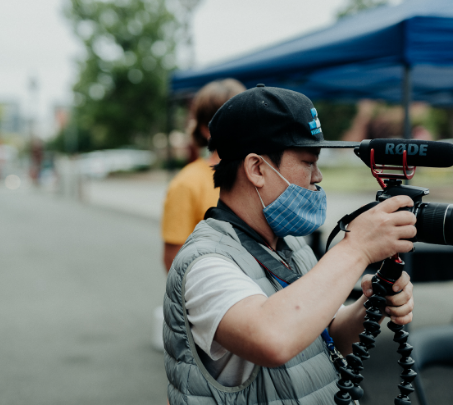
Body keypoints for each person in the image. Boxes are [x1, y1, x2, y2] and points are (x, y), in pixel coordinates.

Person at [163, 85, 417, 404]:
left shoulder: (292, 245)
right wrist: (357, 248)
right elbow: (272, 338)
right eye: (308, 161)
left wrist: (374, 302)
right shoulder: (204, 263)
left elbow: (328, 335)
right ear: (257, 169)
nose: (318, 176)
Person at [161, 79, 246, 272]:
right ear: (205, 128)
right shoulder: (186, 183)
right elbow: (173, 261)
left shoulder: (258, 173)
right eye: (230, 120)